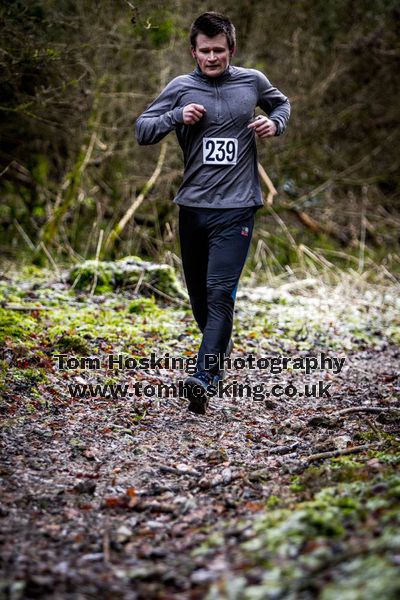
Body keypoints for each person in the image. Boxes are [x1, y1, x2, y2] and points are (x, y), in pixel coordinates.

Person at [135, 11, 290, 414]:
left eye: (219, 51)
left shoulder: (251, 81)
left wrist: (275, 123)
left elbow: (281, 104)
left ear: (231, 50)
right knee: (201, 300)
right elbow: (142, 130)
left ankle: (202, 377)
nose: (212, 58)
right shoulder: (181, 87)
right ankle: (217, 355)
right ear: (193, 51)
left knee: (221, 292)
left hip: (237, 208)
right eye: (204, 51)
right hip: (193, 208)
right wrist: (175, 116)